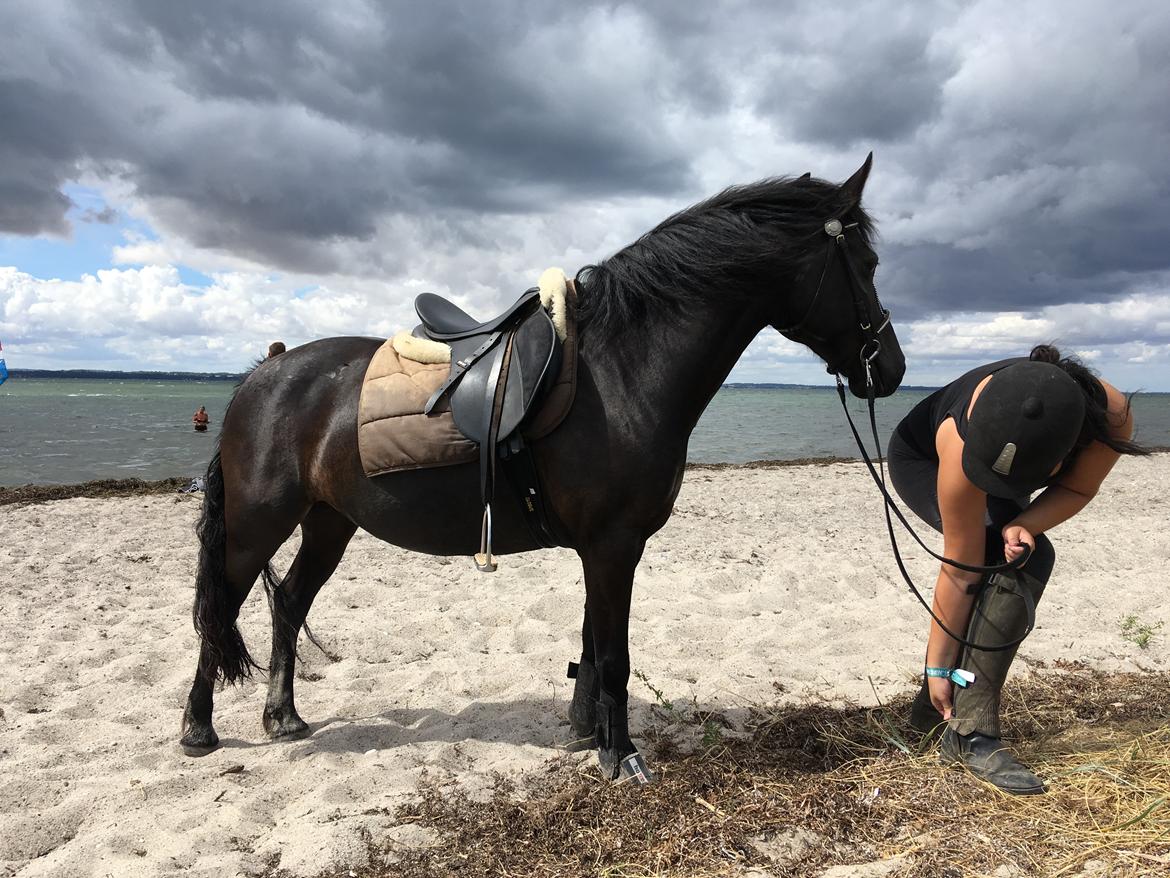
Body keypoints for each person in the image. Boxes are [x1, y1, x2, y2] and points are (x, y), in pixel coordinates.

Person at [887, 344, 1150, 795]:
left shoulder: (1112, 416)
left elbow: (1079, 487)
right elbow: (961, 569)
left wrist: (1026, 522)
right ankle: (966, 728)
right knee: (993, 551)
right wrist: (936, 668)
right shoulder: (962, 440)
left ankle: (950, 720)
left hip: (1010, 450)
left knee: (1023, 550)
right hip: (925, 457)